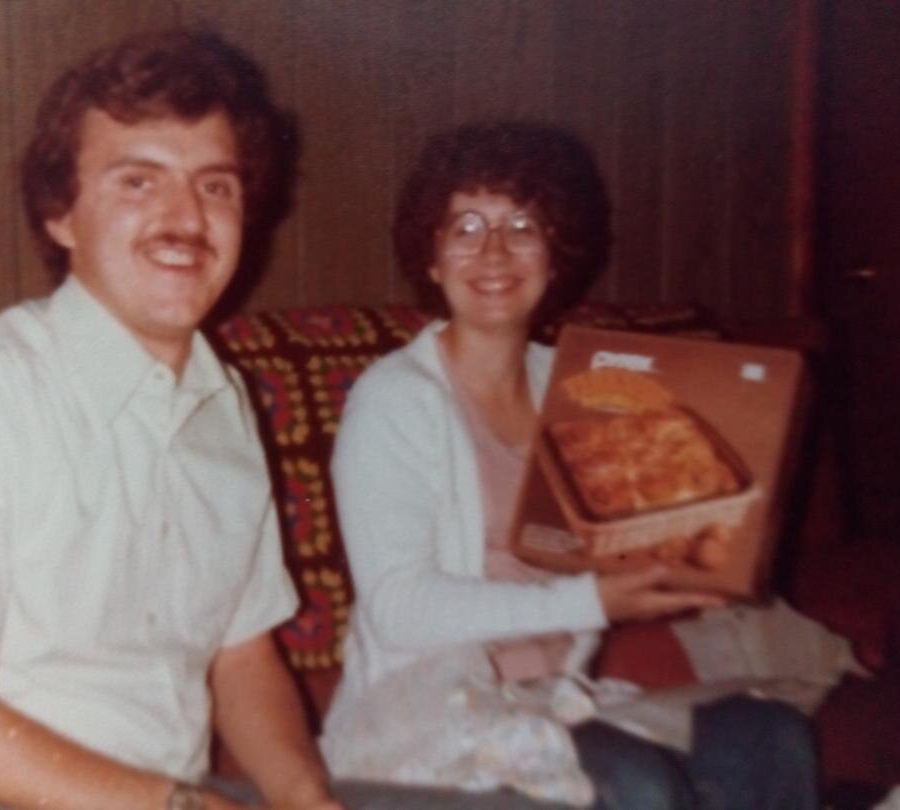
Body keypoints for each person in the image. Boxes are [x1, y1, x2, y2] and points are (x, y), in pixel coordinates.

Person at [322, 121, 819, 809]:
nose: (494, 250)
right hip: (429, 713)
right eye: (465, 227)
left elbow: (651, 514)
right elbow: (400, 608)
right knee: (638, 787)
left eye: (522, 225)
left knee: (769, 735)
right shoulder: (394, 399)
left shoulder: (582, 382)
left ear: (556, 254)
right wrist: (595, 601)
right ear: (431, 258)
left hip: (557, 701)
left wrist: (698, 559)